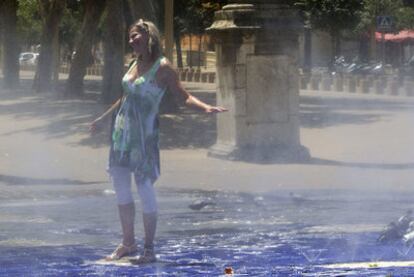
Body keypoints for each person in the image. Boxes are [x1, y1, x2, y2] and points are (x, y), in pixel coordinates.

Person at [90, 19, 227, 264]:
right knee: (121, 186)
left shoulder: (163, 67)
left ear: (149, 37)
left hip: (144, 137)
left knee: (144, 189)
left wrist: (205, 107)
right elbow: (125, 97)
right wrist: (102, 119)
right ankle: (128, 243)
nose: (132, 41)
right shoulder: (134, 63)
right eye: (131, 37)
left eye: (136, 36)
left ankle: (149, 249)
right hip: (122, 134)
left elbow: (183, 96)